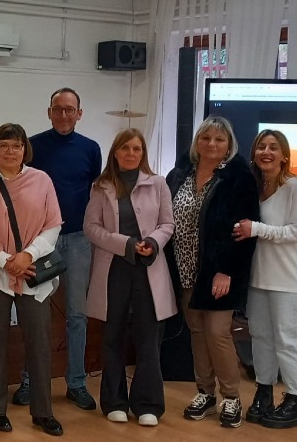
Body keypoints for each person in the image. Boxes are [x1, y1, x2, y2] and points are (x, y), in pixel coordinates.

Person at [163, 115, 260, 428]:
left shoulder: (238, 176)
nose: (212, 144)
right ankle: (205, 392)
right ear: (197, 142)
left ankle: (231, 397)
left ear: (229, 144)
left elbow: (244, 231)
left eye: (219, 139)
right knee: (197, 332)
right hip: (185, 268)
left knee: (218, 333)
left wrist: (226, 271)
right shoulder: (179, 173)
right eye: (206, 138)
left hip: (218, 271)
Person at [0, 123, 64, 437]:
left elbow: (53, 224)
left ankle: (43, 412)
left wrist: (27, 256)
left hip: (33, 270)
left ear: (26, 150)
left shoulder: (42, 180)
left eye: (17, 146)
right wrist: (5, 261)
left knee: (38, 341)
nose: (10, 151)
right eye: (4, 145)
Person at [14, 87, 102, 410]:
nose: (64, 115)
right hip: (41, 241)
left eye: (70, 110)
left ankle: (76, 383)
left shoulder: (92, 149)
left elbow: (93, 191)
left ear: (79, 113)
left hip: (78, 239)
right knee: (35, 313)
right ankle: (30, 380)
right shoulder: (33, 146)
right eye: (58, 109)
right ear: (49, 112)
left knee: (77, 315)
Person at [84, 128, 175, 427]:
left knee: (148, 338)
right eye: (125, 148)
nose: (131, 154)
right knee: (113, 337)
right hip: (115, 269)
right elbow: (92, 228)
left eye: (136, 149)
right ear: (115, 152)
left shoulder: (158, 184)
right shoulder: (102, 186)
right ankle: (114, 401)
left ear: (143, 153)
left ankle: (148, 403)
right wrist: (124, 243)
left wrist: (152, 241)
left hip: (149, 268)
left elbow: (167, 224)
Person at [236, 129, 297, 429]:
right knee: (261, 339)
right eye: (261, 147)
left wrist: (258, 229)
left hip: (288, 281)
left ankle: (296, 400)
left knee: (288, 341)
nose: (266, 152)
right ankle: (264, 392)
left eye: (273, 147)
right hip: (259, 279)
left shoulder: (295, 187)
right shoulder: (254, 188)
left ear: (284, 156)